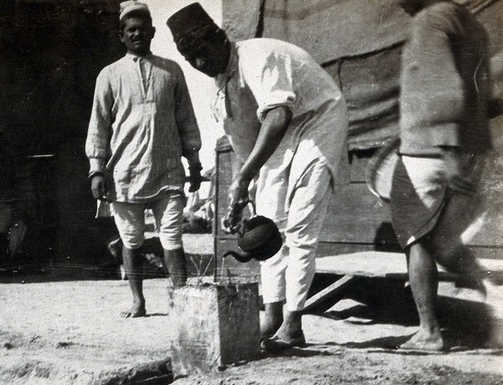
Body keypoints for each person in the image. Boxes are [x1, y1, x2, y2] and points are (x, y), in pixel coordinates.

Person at [166, 3, 349, 350]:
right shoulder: (220, 90)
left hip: (316, 119)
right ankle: (273, 313)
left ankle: (293, 324)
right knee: (267, 220)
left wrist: (242, 179)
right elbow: (243, 147)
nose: (200, 64)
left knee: (299, 225)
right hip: (279, 131)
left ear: (220, 39)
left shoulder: (256, 56)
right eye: (191, 60)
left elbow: (279, 114)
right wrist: (242, 195)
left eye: (202, 52)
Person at [391, 0, 501, 352]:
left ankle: (429, 332)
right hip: (470, 150)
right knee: (444, 243)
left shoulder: (430, 20)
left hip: (429, 151)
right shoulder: (471, 24)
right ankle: (498, 306)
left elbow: (444, 86)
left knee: (417, 238)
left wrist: (449, 149)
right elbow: (482, 95)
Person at [86, 1, 203, 318]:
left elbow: (186, 120)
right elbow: (98, 125)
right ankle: (138, 301)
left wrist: (193, 162)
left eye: (143, 28)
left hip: (167, 171)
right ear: (122, 35)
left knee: (173, 238)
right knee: (132, 240)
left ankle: (182, 300)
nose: (137, 33)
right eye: (131, 29)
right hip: (126, 172)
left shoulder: (171, 70)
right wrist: (97, 169)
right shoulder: (109, 75)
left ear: (152, 32)